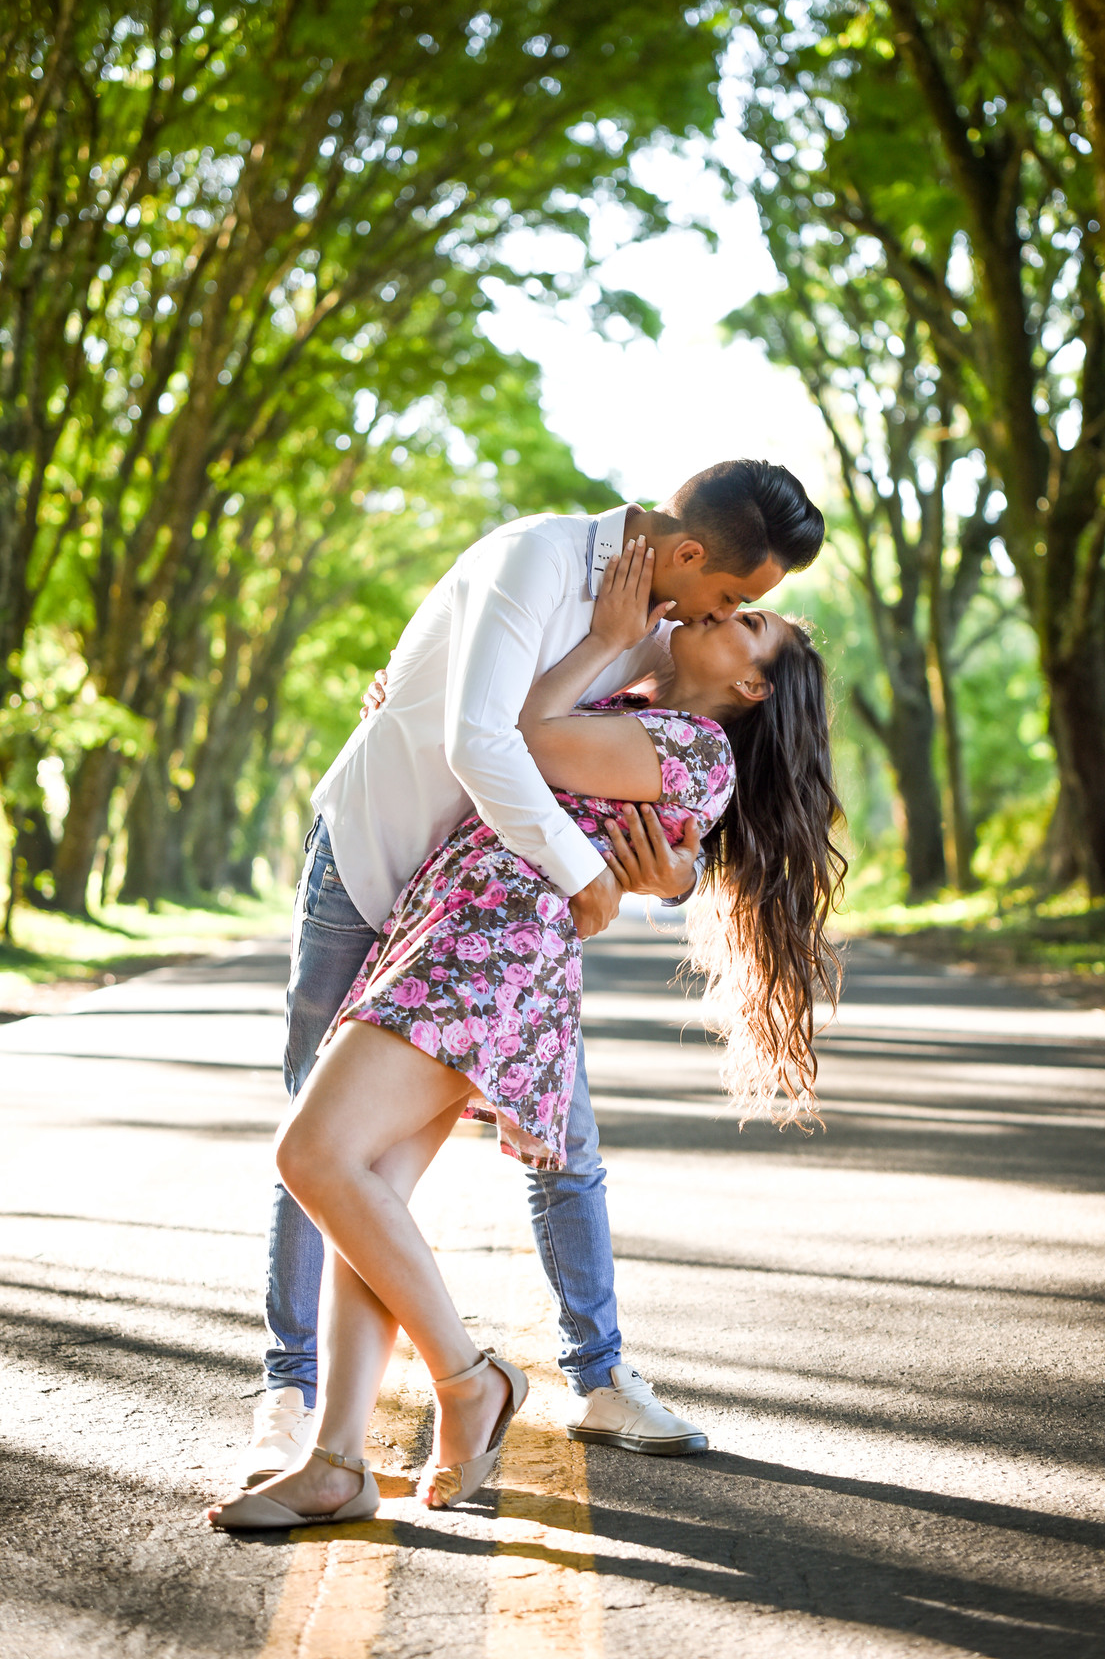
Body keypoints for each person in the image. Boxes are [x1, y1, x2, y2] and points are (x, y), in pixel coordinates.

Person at [209, 532, 844, 1528]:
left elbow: (513, 730)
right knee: (365, 1191)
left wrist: (600, 639)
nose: (721, 614)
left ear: (755, 692)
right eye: (730, 599)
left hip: (484, 954)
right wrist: (413, 706)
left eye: (747, 622)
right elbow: (486, 724)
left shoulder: (693, 747)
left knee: (314, 1155)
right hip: (449, 929)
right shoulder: (639, 715)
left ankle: (470, 1380)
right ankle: (336, 1459)